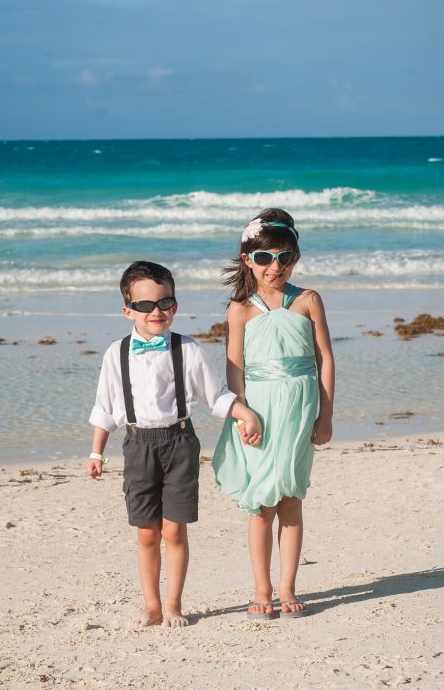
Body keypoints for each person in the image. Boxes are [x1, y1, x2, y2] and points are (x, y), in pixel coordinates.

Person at [87, 260, 262, 629]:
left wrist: (244, 413)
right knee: (146, 532)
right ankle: (151, 605)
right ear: (128, 310)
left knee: (174, 530)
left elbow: (215, 396)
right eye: (145, 305)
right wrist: (96, 452)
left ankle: (172, 604)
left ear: (175, 305)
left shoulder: (188, 349)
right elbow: (105, 407)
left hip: (180, 443)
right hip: (138, 445)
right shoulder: (116, 353)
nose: (156, 312)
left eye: (164, 303)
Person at [212, 209, 334, 621]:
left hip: (300, 410)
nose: (275, 267)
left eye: (284, 258)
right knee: (262, 503)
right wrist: (241, 414)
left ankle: (287, 588)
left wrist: (326, 415)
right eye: (265, 258)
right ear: (248, 260)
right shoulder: (240, 309)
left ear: (295, 258)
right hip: (258, 414)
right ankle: (262, 589)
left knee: (292, 499)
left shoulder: (308, 300)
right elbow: (234, 369)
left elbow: (325, 359)